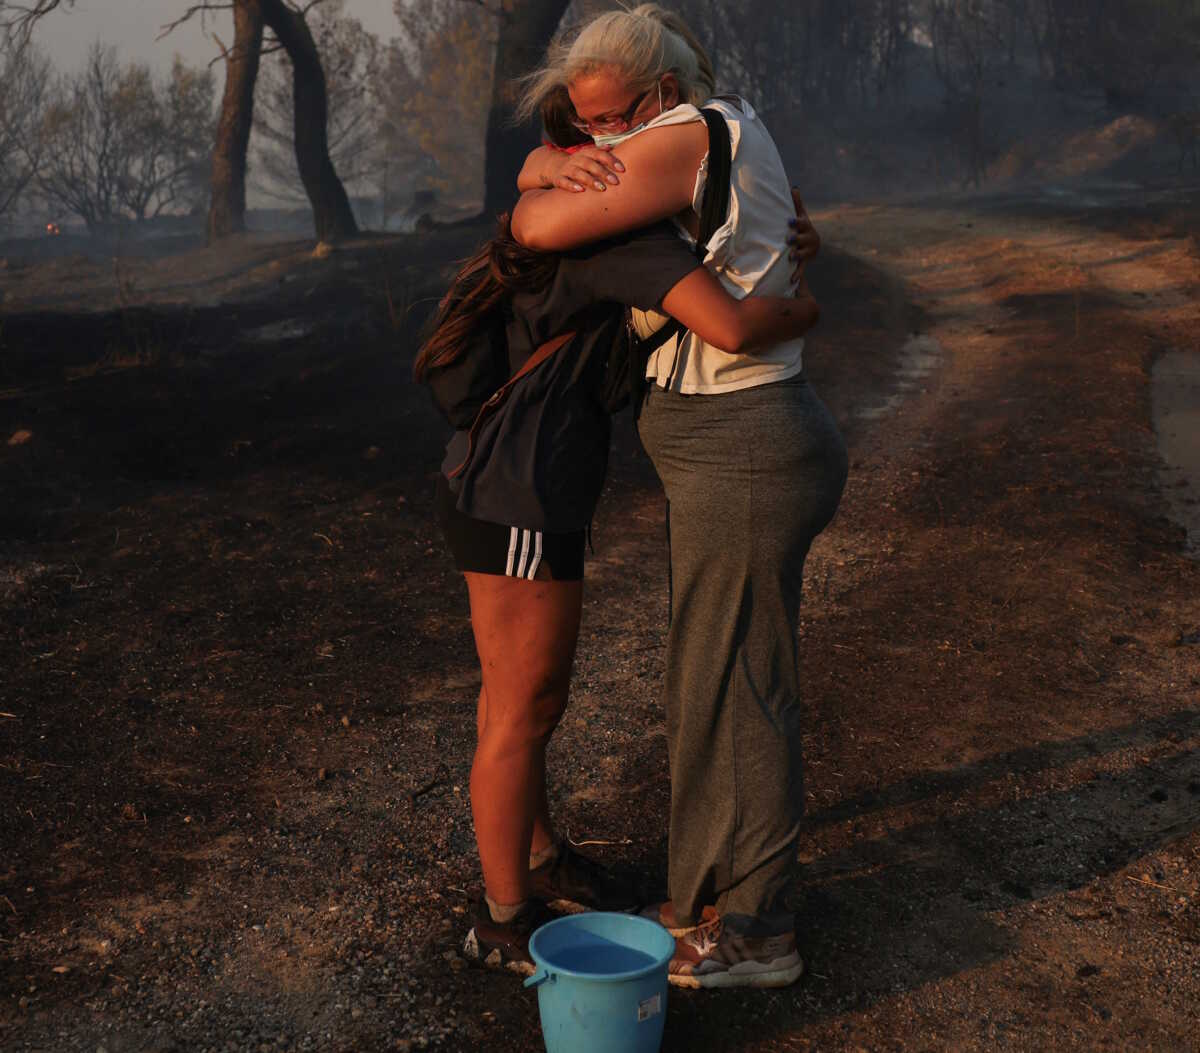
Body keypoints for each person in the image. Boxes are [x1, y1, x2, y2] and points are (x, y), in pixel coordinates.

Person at [418, 89, 823, 977]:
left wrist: (542, 171)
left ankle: (534, 856)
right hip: (521, 494)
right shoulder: (626, 244)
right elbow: (732, 323)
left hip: (493, 476)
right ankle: (503, 918)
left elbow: (526, 188)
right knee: (526, 706)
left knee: (511, 699)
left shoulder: (574, 212)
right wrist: (807, 309)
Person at [509, 4, 849, 989]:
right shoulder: (724, 128)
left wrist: (544, 179)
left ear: (660, 93)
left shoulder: (682, 135)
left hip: (744, 442)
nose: (599, 143)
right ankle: (706, 894)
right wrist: (552, 161)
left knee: (740, 684)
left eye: (611, 121)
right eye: (583, 123)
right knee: (710, 675)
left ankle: (755, 933)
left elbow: (536, 225)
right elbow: (552, 187)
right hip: (740, 440)